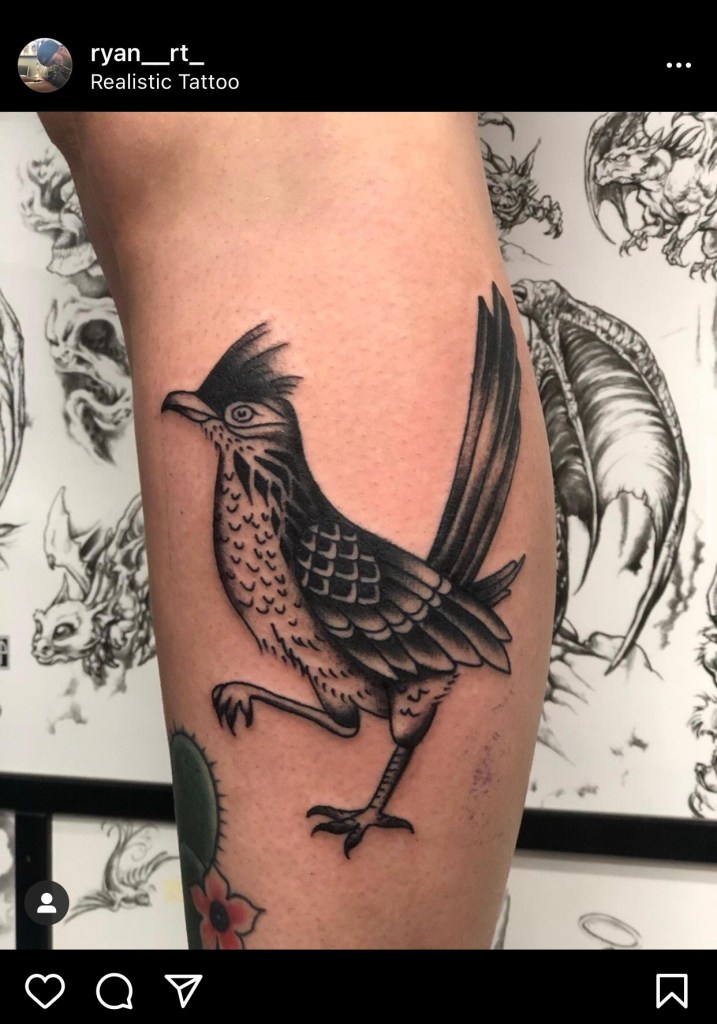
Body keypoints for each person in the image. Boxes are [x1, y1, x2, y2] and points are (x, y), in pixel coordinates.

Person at [36, 112, 555, 949]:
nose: (210, 418)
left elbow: (395, 683)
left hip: (408, 663)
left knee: (266, 140)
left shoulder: (304, 544)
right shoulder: (249, 524)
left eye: (239, 415)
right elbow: (342, 703)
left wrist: (372, 807)